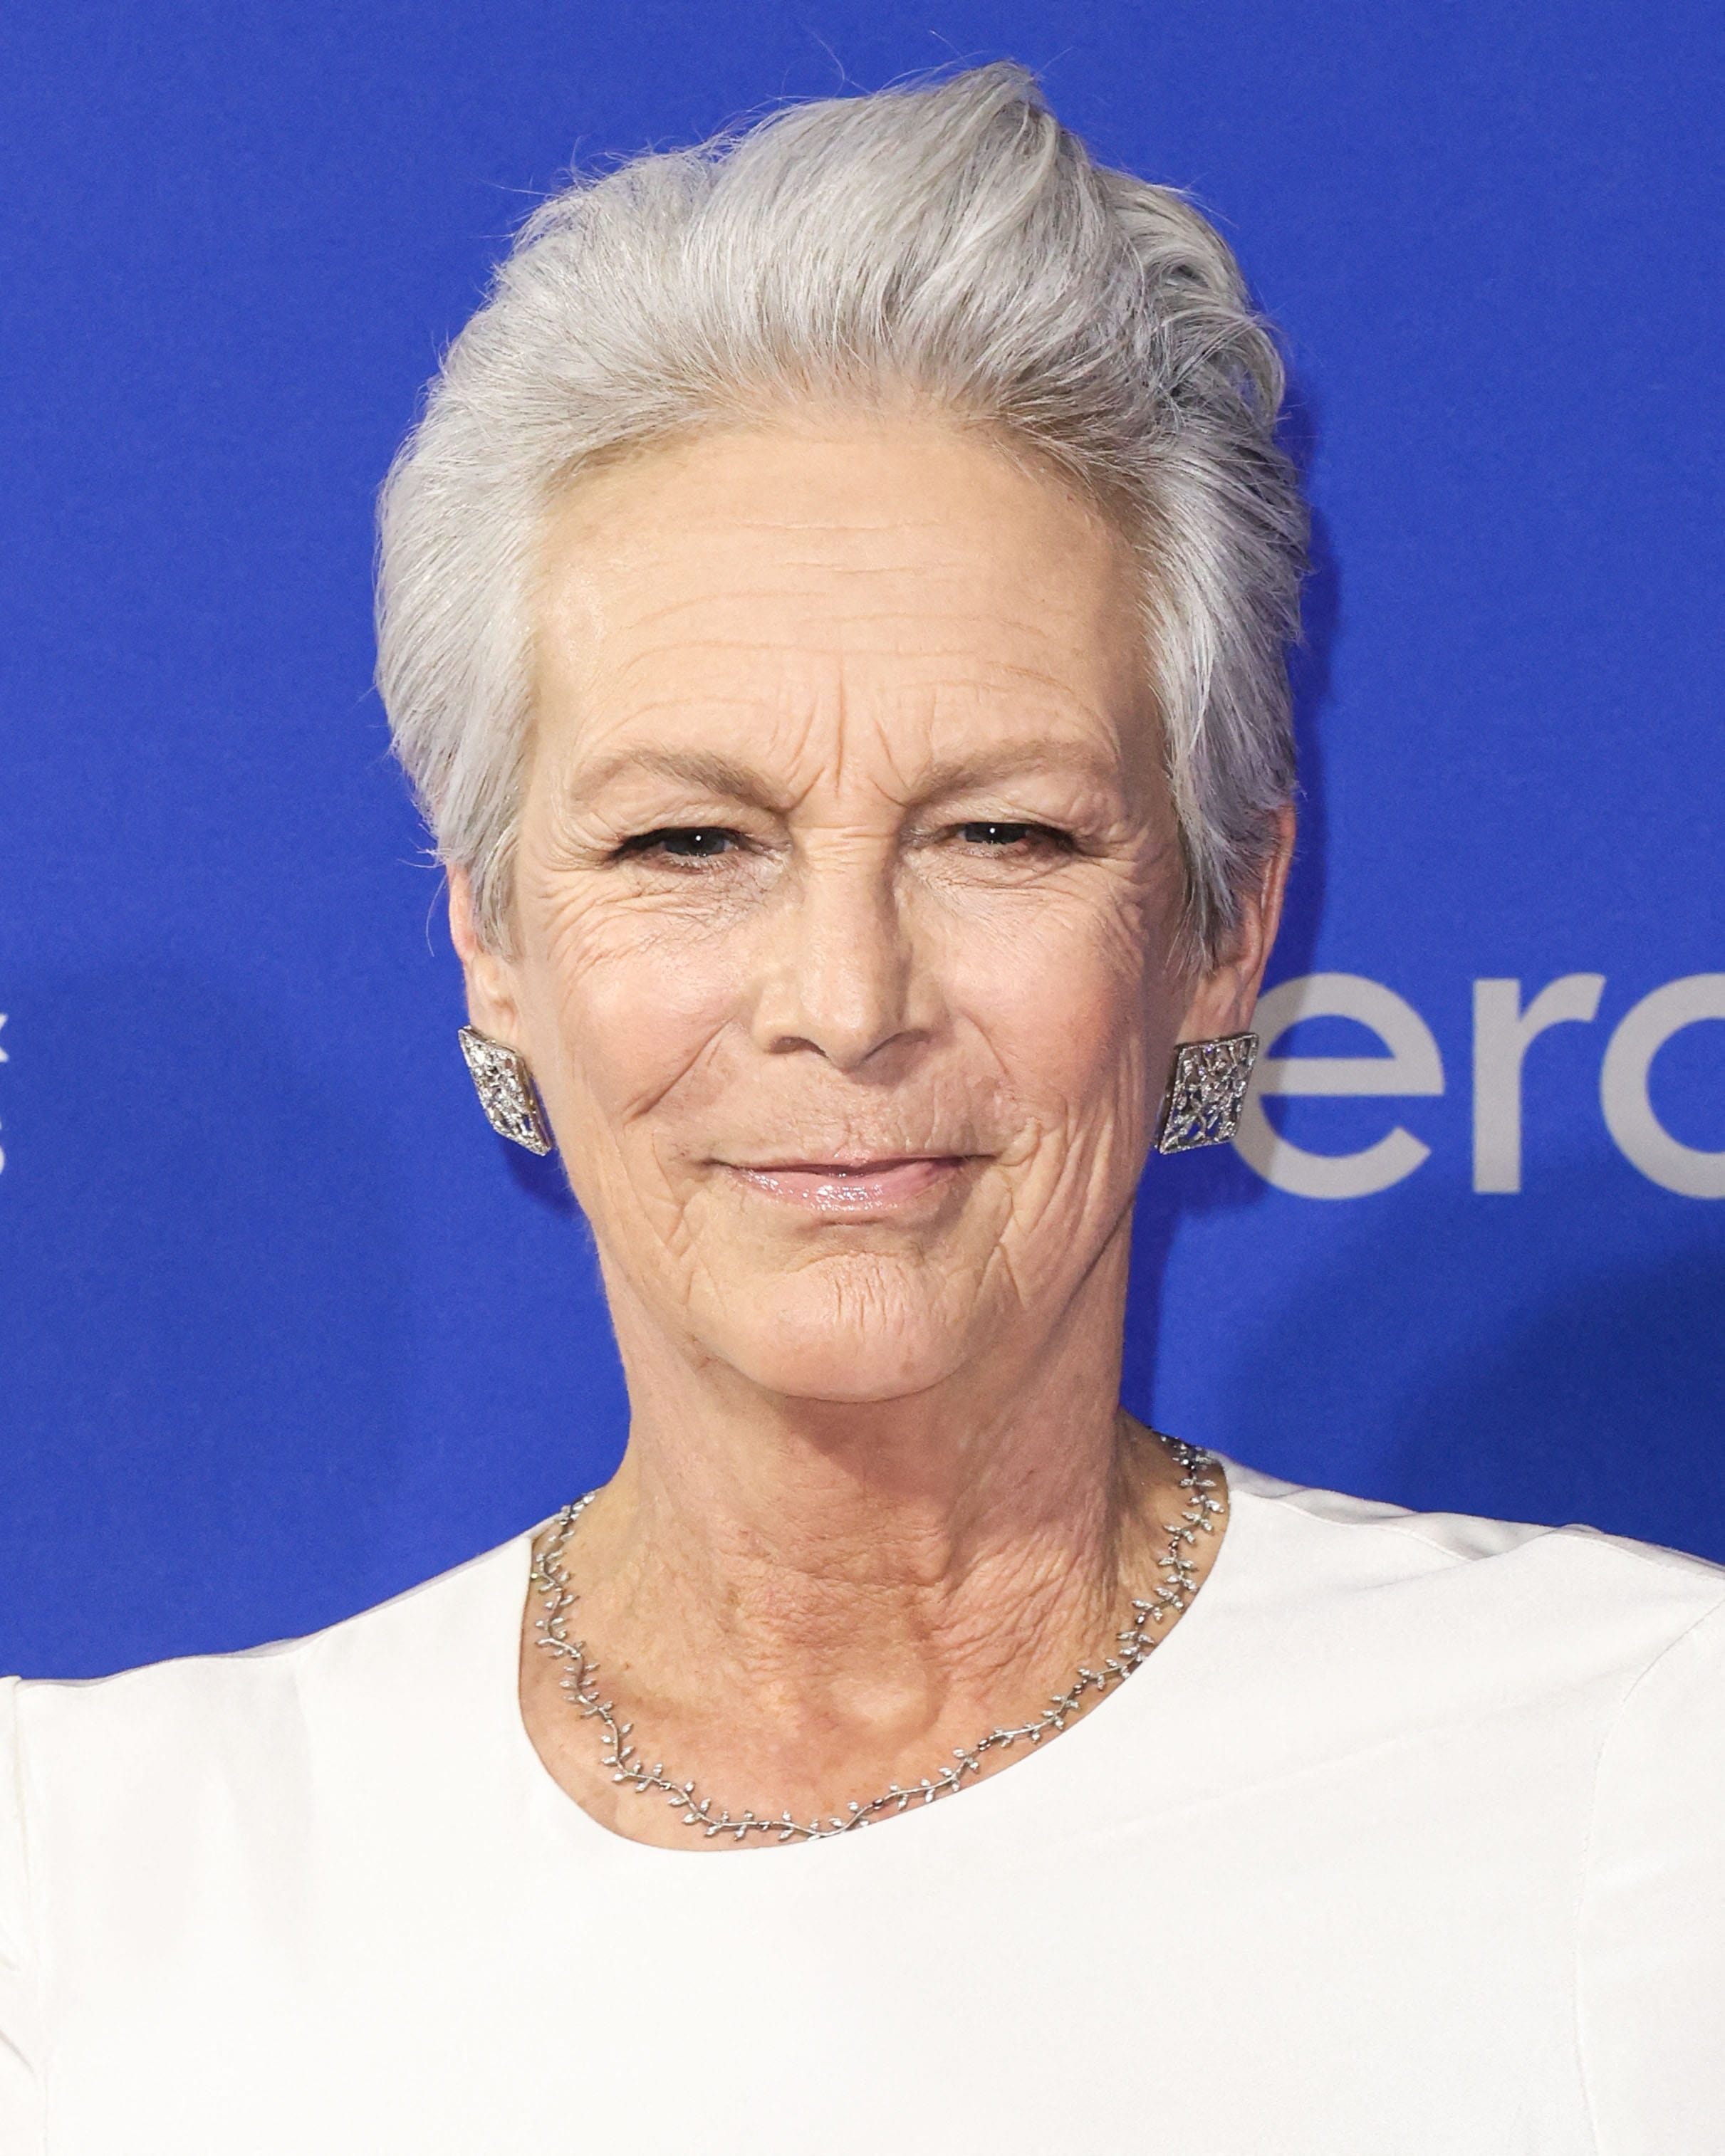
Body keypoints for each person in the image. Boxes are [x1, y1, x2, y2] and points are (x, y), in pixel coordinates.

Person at [1, 63, 1719, 2155]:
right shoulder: (97, 1883)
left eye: (1002, 833)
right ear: (492, 937)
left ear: (1220, 924)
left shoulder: (1643, 1789)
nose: (846, 1002)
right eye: (688, 843)